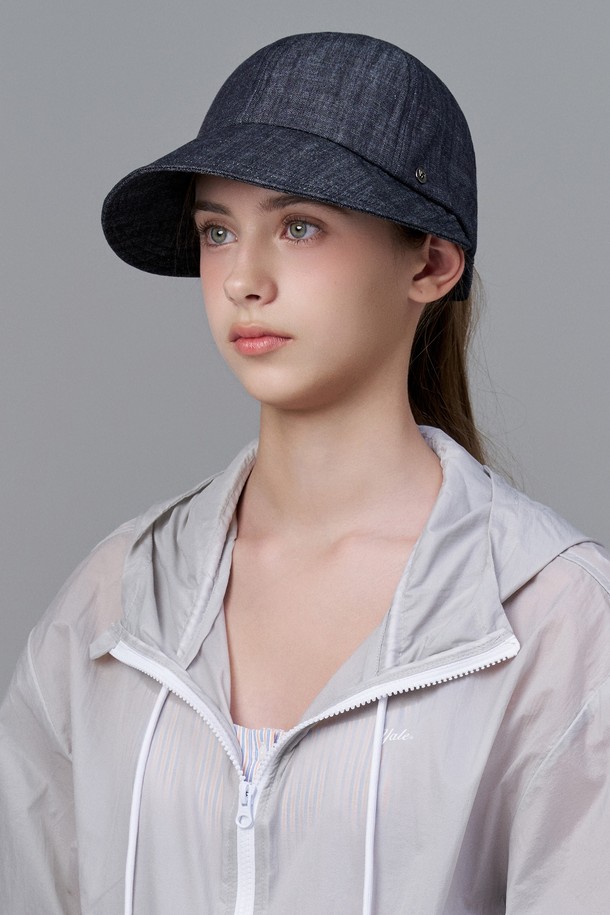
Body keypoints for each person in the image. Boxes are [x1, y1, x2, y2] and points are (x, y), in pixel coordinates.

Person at [1, 31, 609, 915]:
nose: (242, 279)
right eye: (218, 231)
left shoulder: (550, 618)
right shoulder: (115, 603)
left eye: (299, 226)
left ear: (431, 262)